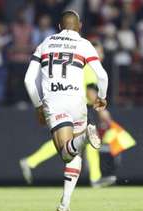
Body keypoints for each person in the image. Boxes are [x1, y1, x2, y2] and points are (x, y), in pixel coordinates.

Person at [24, 11, 108, 211]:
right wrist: (101, 98)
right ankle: (64, 204)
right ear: (79, 26)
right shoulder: (84, 44)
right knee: (74, 153)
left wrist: (38, 106)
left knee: (65, 154)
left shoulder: (45, 43)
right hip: (77, 102)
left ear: (60, 27)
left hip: (55, 102)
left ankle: (85, 138)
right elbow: (102, 75)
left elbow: (28, 79)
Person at [20, 41, 113, 187]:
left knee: (77, 142)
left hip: (67, 103)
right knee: (86, 139)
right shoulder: (89, 68)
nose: (102, 54)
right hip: (82, 107)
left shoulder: (80, 65)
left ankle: (31, 161)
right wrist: (102, 109)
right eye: (99, 51)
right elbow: (90, 92)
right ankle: (95, 178)